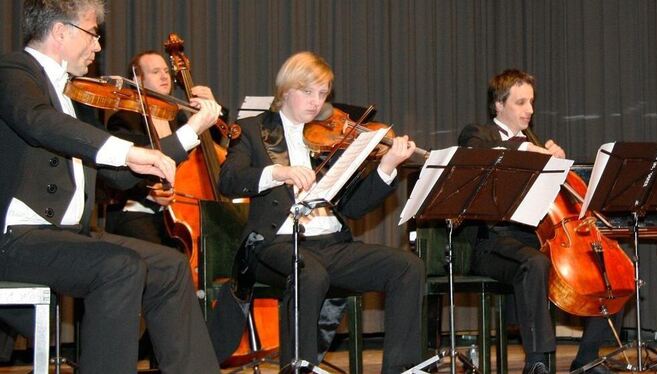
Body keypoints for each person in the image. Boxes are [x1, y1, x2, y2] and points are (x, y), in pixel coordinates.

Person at [0, 1, 222, 373]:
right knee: (119, 267)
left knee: (169, 265)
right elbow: (37, 122)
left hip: (72, 236)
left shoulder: (78, 96)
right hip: (16, 237)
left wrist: (190, 132)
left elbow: (119, 176)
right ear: (60, 31)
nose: (98, 48)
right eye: (93, 34)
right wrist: (128, 150)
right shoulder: (13, 71)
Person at [218, 51, 425, 373]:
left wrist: (386, 167)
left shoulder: (329, 139)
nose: (317, 102)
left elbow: (353, 207)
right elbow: (229, 181)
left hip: (332, 244)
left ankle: (401, 367)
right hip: (275, 244)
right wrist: (278, 172)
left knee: (406, 266)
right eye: (308, 92)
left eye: (323, 94)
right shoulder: (251, 130)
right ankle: (298, 367)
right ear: (286, 90)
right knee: (309, 272)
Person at [458, 69, 619, 374]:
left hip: (535, 236)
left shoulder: (533, 141)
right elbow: (477, 153)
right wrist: (528, 149)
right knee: (534, 263)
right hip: (490, 241)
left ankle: (586, 357)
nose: (530, 110)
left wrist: (557, 165)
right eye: (521, 102)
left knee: (601, 262)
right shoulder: (477, 134)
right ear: (498, 105)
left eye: (531, 102)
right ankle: (537, 361)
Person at [104, 50, 217, 248]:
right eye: (155, 72)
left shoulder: (179, 118)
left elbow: (210, 153)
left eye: (166, 71)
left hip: (177, 215)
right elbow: (117, 169)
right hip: (138, 212)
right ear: (137, 79)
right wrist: (149, 192)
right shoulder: (124, 119)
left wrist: (211, 107)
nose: (165, 76)